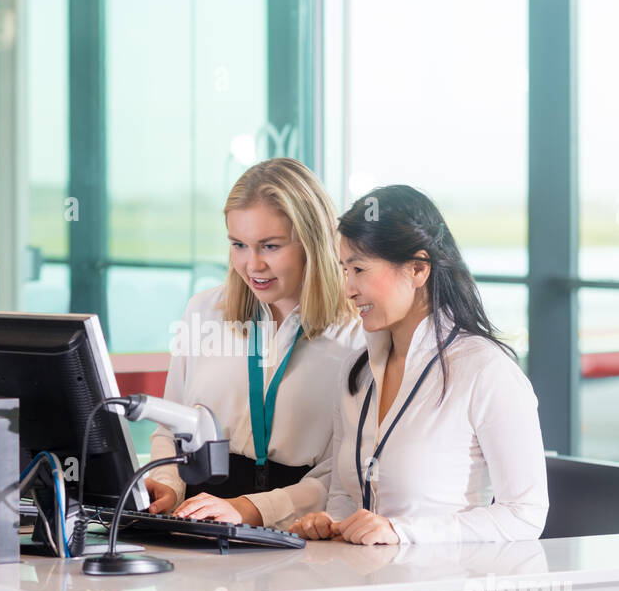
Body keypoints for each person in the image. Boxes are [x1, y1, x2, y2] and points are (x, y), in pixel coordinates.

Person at [291, 185, 548, 545]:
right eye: (344, 269)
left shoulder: (486, 371)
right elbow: (345, 498)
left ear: (417, 269)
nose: (348, 288)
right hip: (357, 586)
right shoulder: (357, 375)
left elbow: (525, 514)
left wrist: (404, 533)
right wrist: (330, 523)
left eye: (359, 269)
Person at [144, 158, 363, 529]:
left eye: (270, 246)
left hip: (295, 529)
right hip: (199, 516)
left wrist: (250, 508)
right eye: (239, 245)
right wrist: (167, 485)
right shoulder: (204, 311)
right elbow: (171, 426)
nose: (252, 265)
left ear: (312, 242)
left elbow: (340, 475)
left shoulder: (355, 336)